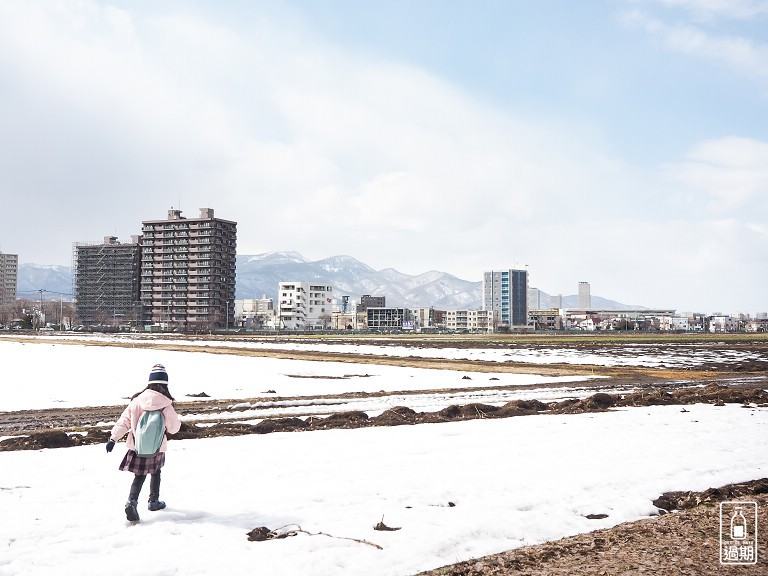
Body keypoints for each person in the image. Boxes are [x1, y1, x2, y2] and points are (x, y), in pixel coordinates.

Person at [106, 363, 182, 522]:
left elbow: (124, 421)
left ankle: (131, 502)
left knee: (139, 476)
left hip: (137, 446)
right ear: (165, 384)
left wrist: (113, 438)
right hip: (157, 447)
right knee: (156, 472)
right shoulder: (166, 405)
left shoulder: (136, 402)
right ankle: (154, 501)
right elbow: (174, 429)